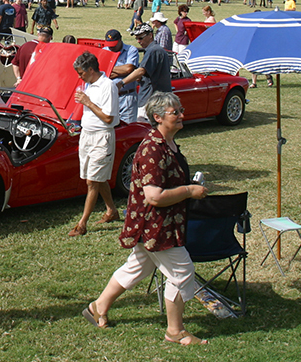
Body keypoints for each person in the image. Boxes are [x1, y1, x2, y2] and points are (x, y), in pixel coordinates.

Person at [82, 91, 207, 343]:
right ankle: (175, 331)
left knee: (137, 267)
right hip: (156, 226)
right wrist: (189, 191)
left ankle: (98, 307)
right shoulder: (152, 150)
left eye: (180, 110)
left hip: (161, 223)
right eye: (176, 112)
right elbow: (154, 196)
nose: (182, 115)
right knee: (182, 271)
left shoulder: (168, 144)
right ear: (158, 117)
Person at [69, 51, 120, 237]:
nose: (79, 77)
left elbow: (108, 117)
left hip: (102, 137)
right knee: (97, 178)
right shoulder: (88, 85)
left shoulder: (108, 86)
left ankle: (82, 224)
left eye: (81, 73)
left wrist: (87, 102)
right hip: (87, 136)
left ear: (91, 69)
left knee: (92, 181)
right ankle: (112, 211)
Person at [118, 23, 172, 122]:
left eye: (141, 38)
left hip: (152, 101)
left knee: (145, 130)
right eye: (137, 39)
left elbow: (141, 71)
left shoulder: (154, 50)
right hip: (155, 99)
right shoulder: (152, 50)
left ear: (150, 35)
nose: (138, 41)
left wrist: (121, 83)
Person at [105, 29, 140, 124]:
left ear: (120, 40)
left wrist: (109, 68)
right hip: (109, 97)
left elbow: (128, 68)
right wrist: (121, 71)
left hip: (126, 96)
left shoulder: (131, 50)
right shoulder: (105, 51)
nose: (111, 48)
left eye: (114, 45)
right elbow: (101, 72)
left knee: (128, 127)